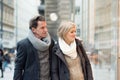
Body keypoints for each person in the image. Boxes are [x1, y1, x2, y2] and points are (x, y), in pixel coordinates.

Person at [13, 15, 54, 80]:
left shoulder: (50, 42)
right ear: (33, 29)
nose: (46, 30)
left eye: (46, 27)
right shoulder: (23, 45)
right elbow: (18, 68)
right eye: (42, 28)